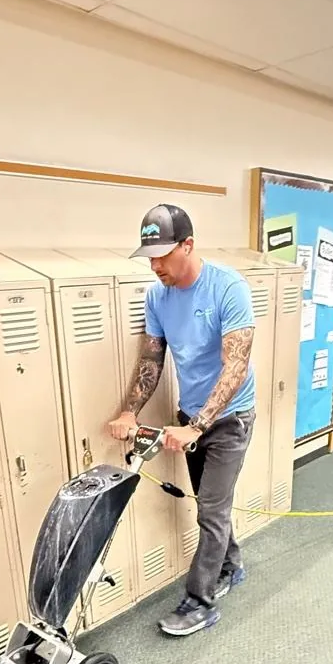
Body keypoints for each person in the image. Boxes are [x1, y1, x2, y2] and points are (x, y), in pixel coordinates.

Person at [109, 204, 255, 637]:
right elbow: (152, 360)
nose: (155, 266)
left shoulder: (229, 288)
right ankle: (233, 565)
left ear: (187, 246)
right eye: (149, 257)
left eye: (162, 256)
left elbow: (236, 366)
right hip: (190, 415)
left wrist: (199, 425)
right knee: (209, 506)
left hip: (229, 419)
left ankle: (200, 602)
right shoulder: (158, 297)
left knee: (210, 512)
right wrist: (128, 410)